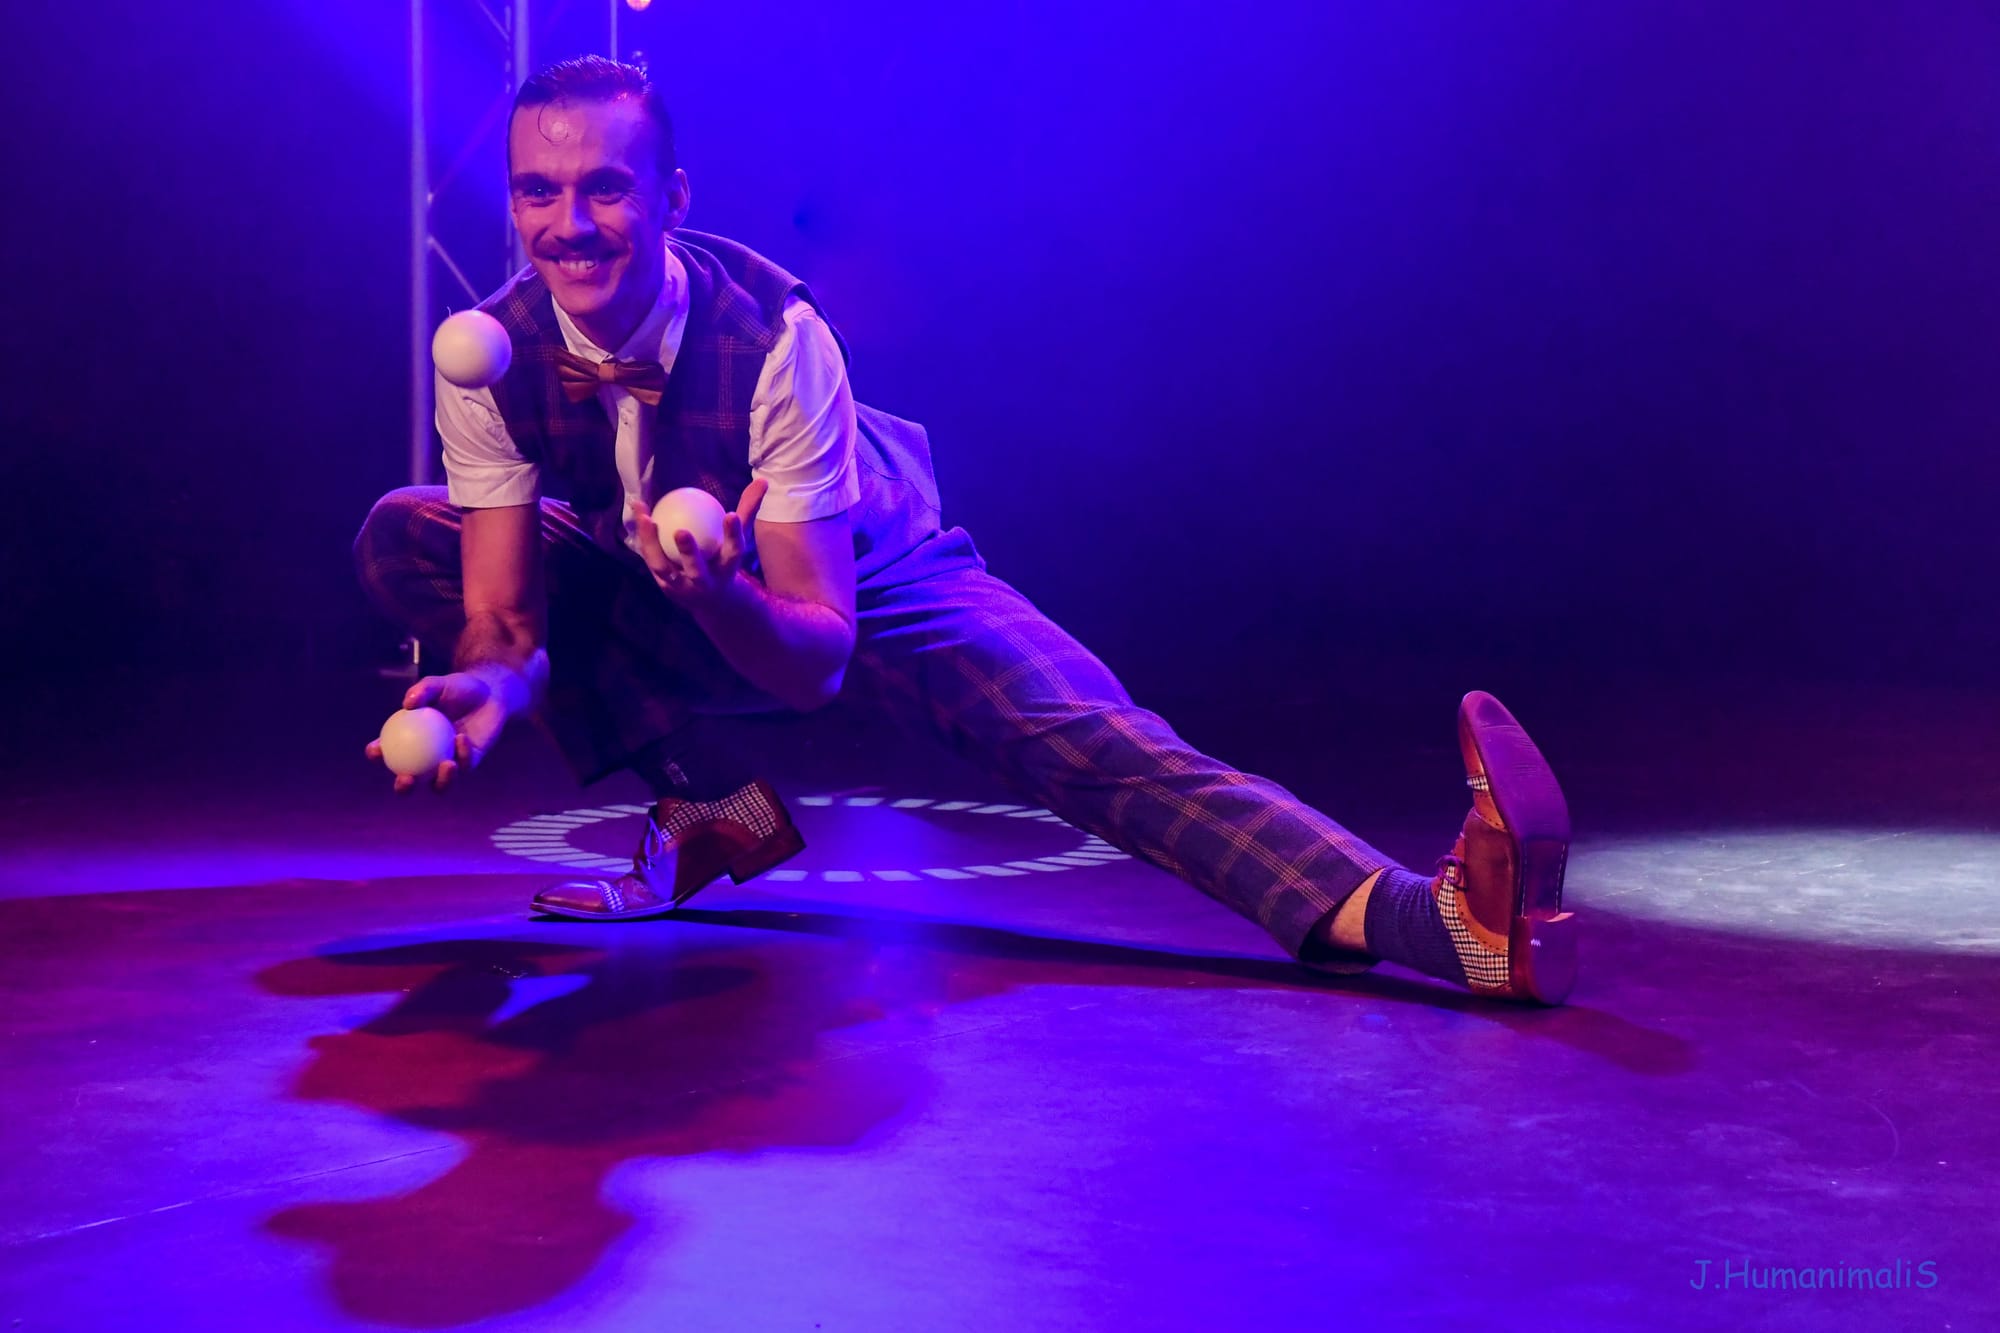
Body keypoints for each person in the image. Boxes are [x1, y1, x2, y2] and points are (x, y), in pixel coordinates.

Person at [355, 55, 1578, 1005]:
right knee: (410, 530)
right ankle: (711, 809)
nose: (568, 223)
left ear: (670, 197)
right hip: (664, 574)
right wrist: (488, 689)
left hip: (861, 575)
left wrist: (718, 590)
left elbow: (815, 657)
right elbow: (506, 617)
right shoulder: (489, 352)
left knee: (1083, 736)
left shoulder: (776, 338)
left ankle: (1438, 924)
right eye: (538, 190)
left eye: (605, 187)